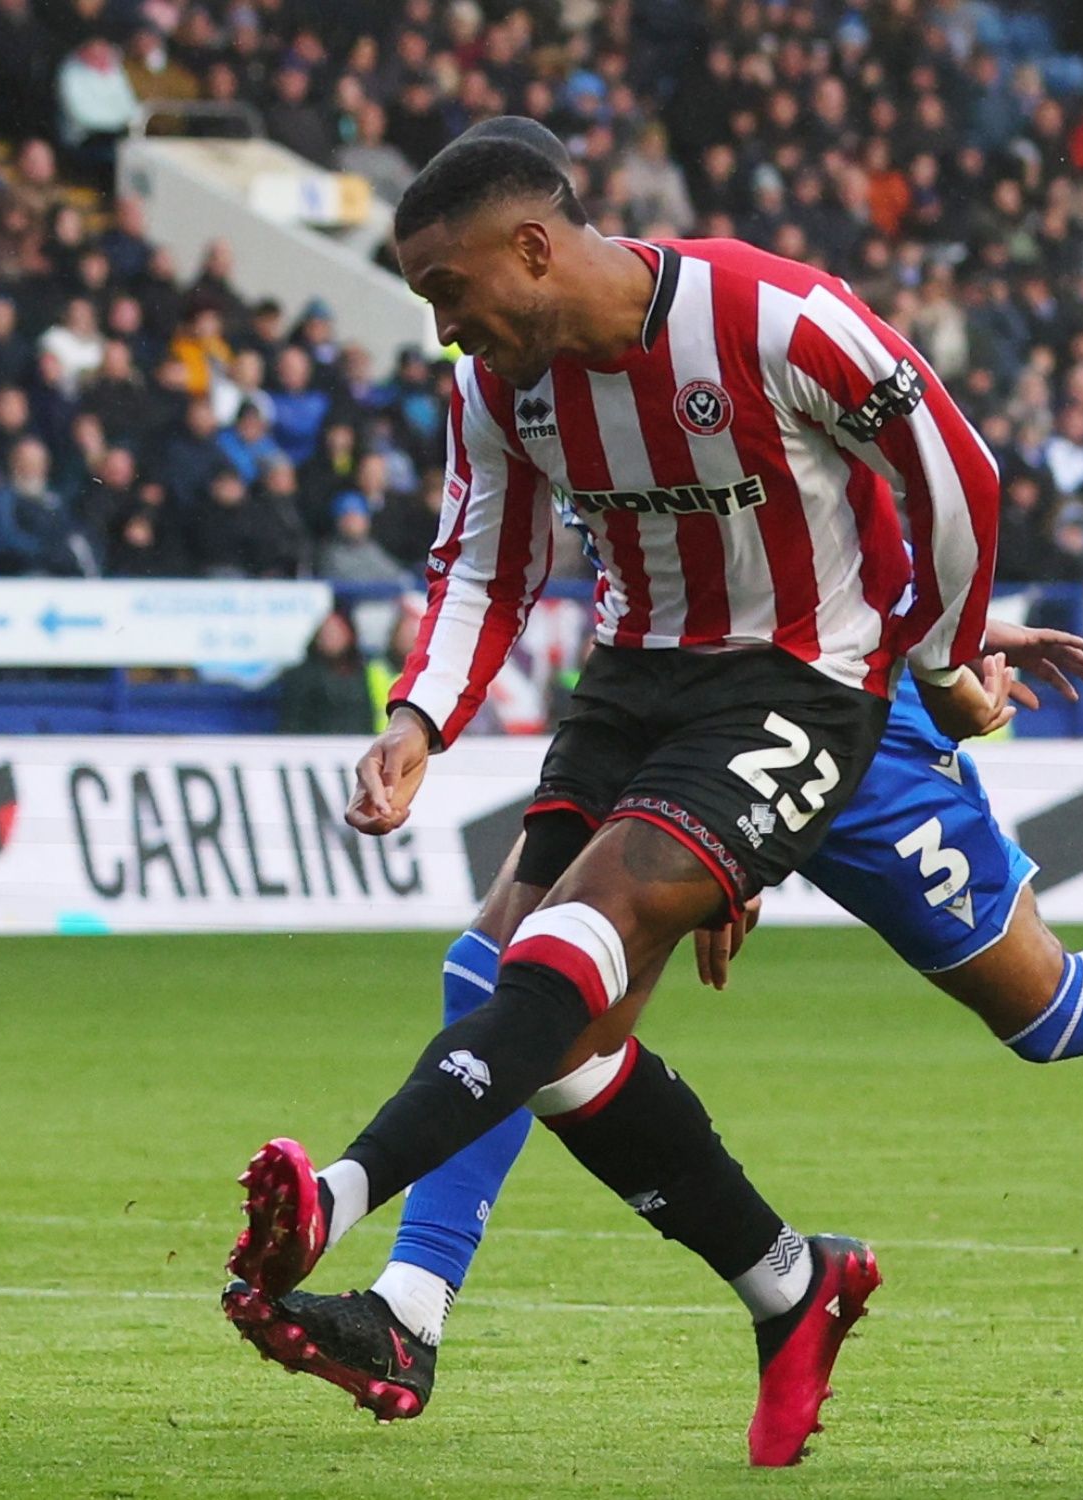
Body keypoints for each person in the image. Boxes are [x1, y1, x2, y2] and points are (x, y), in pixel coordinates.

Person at [217, 119, 1004, 1467]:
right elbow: (482, 563)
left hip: (801, 683)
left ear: (531, 249)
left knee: (590, 945)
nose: (448, 334)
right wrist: (418, 718)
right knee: (525, 998)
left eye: (451, 296)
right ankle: (781, 1283)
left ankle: (348, 1206)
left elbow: (955, 473)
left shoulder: (773, 317)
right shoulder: (498, 392)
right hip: (638, 684)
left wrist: (937, 654)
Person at [240, 645, 1083, 1426]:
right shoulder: (557, 387)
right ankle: (415, 1303)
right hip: (675, 712)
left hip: (840, 730)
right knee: (513, 972)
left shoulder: (732, 346)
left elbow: (900, 517)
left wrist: (950, 666)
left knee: (1048, 1007)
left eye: (462, 298)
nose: (465, 334)